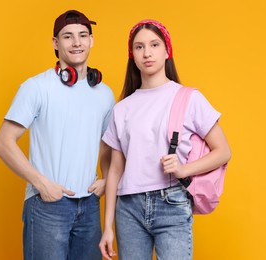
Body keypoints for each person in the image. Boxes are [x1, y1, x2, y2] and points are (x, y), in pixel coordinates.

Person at [99, 19, 231, 260]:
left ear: (167, 50)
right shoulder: (123, 108)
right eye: (139, 47)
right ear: (132, 55)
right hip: (128, 209)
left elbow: (223, 151)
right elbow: (115, 172)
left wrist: (183, 169)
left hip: (171, 202)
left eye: (154, 45)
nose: (147, 53)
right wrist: (107, 227)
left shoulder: (188, 98)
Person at [0, 10, 115, 260]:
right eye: (68, 36)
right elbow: (3, 142)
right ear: (55, 43)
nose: (77, 42)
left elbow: (108, 145)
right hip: (47, 204)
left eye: (83, 35)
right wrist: (41, 183)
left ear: (91, 40)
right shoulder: (36, 87)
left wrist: (106, 179)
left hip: (90, 206)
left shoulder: (104, 93)